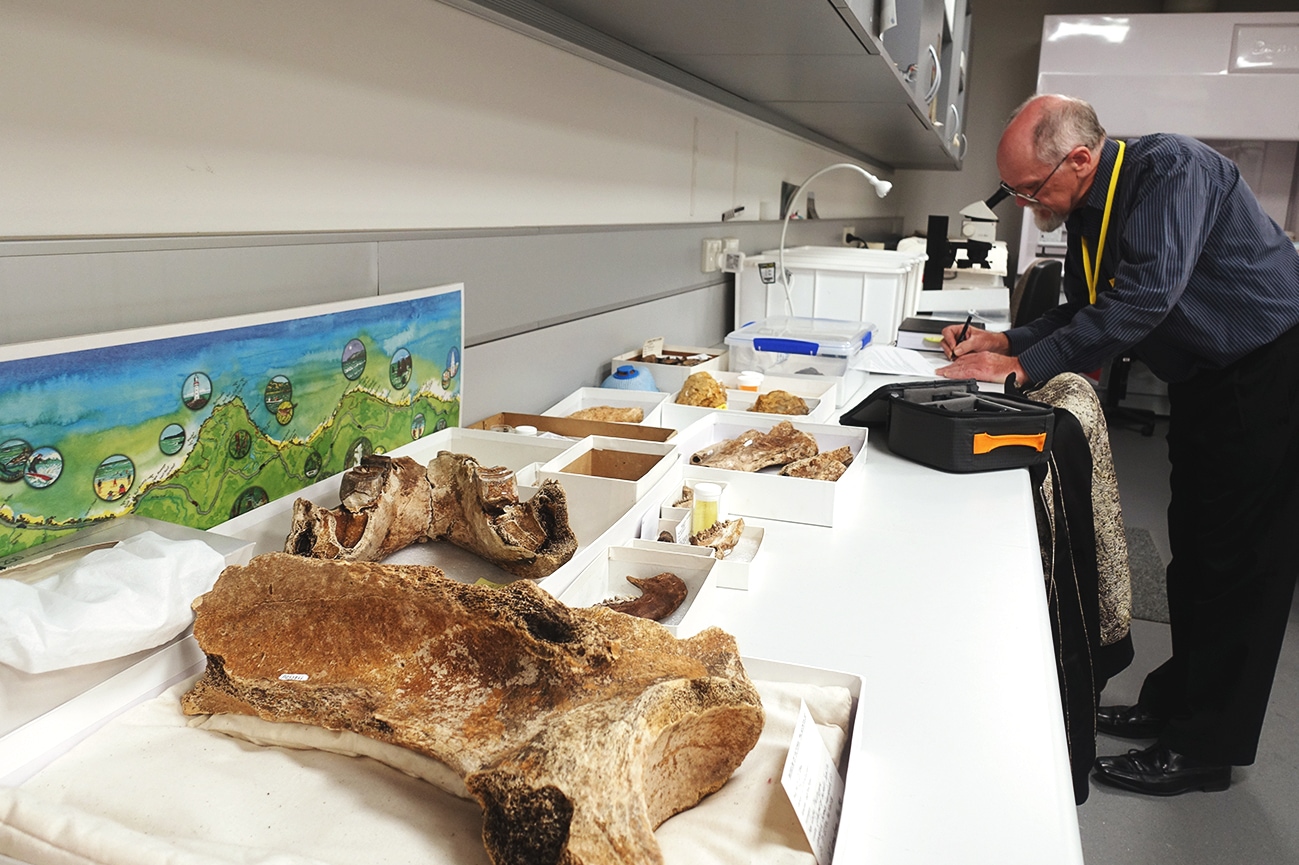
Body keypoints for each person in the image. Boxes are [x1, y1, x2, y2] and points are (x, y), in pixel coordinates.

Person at [936, 93, 1299, 796]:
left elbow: (1141, 299)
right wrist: (1006, 340)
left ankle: (1203, 747)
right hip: (1207, 377)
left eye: (1027, 189)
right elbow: (1085, 309)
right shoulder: (1087, 209)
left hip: (1266, 370)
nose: (1020, 203)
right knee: (1192, 548)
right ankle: (1172, 701)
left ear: (1077, 158)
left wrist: (1021, 368)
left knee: (1238, 564)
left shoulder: (1172, 170)